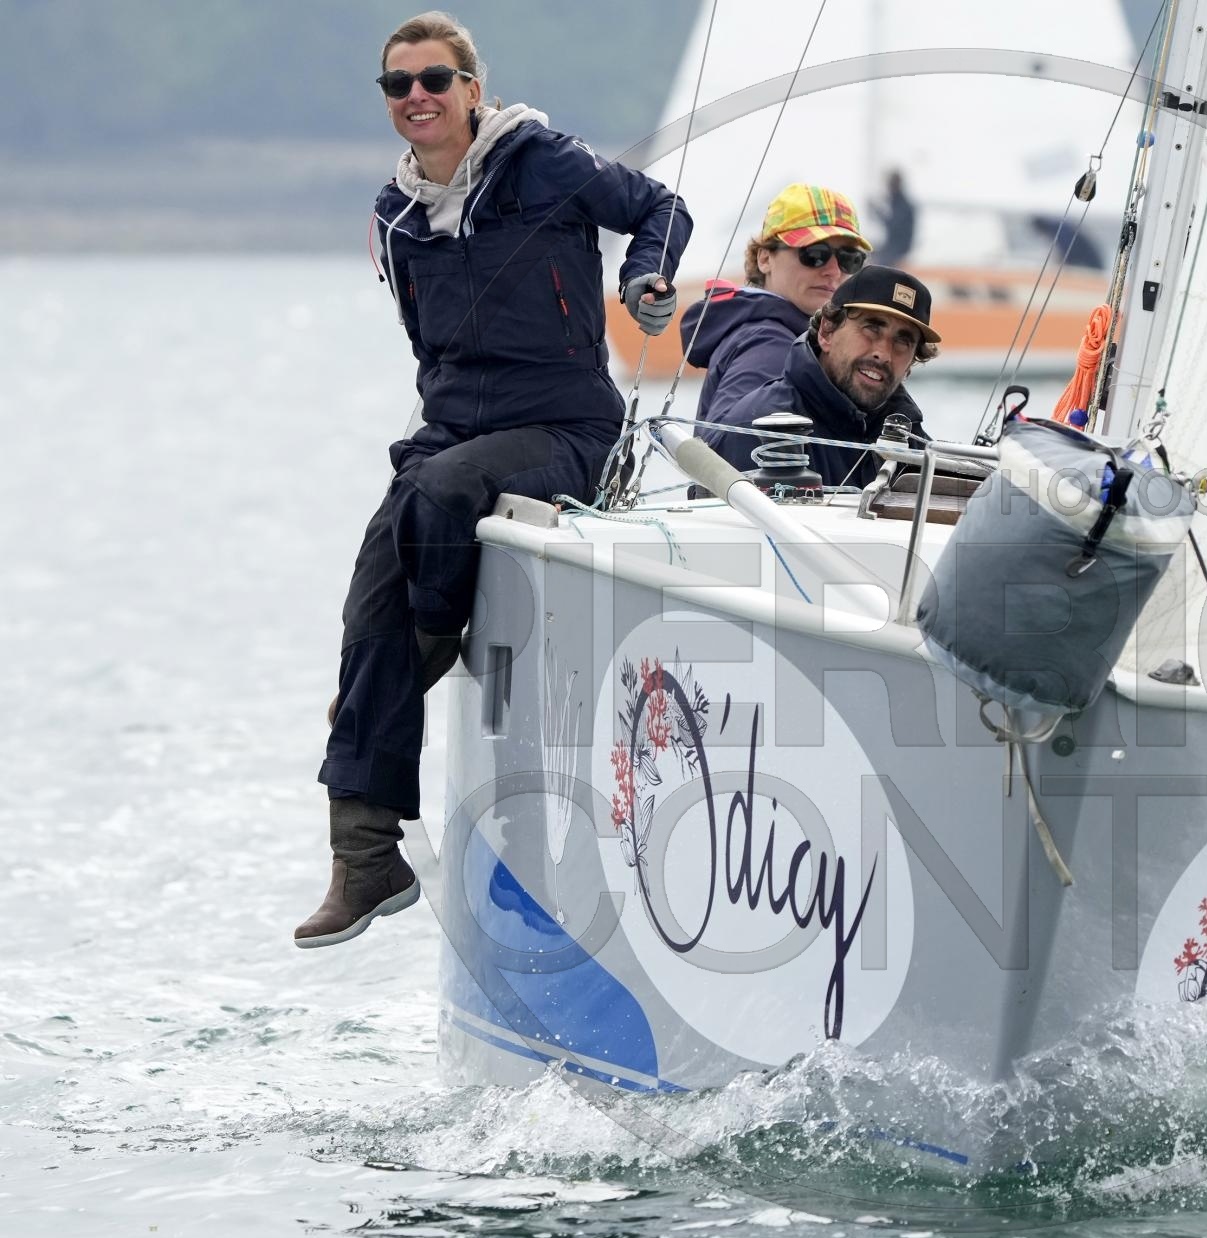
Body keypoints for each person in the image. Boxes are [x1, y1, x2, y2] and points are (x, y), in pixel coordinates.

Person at [297, 11, 691, 948]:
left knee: (433, 518)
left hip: (565, 424)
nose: (417, 96)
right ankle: (366, 858)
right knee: (368, 604)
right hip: (453, 430)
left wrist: (642, 280)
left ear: (473, 90)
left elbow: (661, 208)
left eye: (435, 79)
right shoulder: (393, 217)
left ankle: (415, 662)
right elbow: (427, 350)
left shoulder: (541, 161)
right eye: (398, 85)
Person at [700, 266, 940, 491]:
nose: (884, 353)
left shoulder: (917, 448)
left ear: (910, 363)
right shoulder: (754, 434)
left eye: (903, 341)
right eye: (871, 328)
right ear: (827, 331)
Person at [679, 184, 871, 423]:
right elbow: (728, 436)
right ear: (765, 259)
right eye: (815, 254)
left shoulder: (775, 333)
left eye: (849, 259)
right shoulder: (771, 343)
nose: (834, 271)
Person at [875, 169, 917, 266]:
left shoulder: (903, 204)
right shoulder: (895, 201)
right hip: (891, 247)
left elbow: (893, 225)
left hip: (899, 248)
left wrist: (878, 212)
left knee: (879, 264)